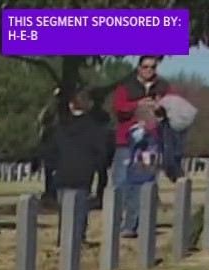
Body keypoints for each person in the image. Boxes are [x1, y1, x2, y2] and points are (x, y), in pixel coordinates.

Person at [111, 56, 170, 239]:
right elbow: (118, 108)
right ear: (138, 68)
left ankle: (136, 224)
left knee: (145, 181)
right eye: (145, 67)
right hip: (126, 142)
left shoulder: (163, 87)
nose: (149, 70)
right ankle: (118, 220)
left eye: (153, 67)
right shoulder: (126, 87)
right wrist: (138, 104)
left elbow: (172, 109)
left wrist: (159, 107)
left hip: (149, 143)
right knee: (121, 182)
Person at [47, 90, 107, 248]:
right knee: (80, 210)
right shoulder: (95, 128)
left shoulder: (60, 127)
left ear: (71, 105)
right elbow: (101, 152)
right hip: (83, 173)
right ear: (89, 106)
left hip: (63, 172)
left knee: (64, 210)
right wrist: (96, 168)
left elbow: (52, 150)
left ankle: (63, 239)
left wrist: (53, 168)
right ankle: (78, 239)